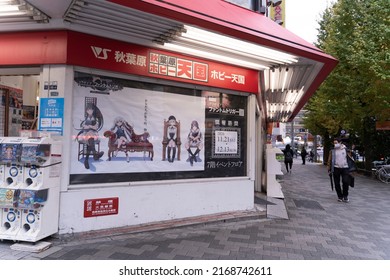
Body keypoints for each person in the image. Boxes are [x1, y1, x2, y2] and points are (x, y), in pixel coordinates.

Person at [77, 103, 104, 169]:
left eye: (91, 110)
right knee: (90, 137)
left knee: (90, 138)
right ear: (86, 111)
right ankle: (95, 155)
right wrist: (90, 127)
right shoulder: (85, 118)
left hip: (93, 134)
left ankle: (86, 160)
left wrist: (89, 126)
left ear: (93, 111)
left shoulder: (96, 119)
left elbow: (96, 127)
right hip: (85, 134)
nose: (90, 111)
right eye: (88, 110)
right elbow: (83, 126)